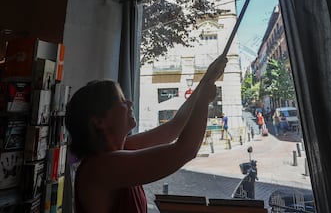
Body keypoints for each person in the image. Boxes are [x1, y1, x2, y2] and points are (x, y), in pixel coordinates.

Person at [65, 54, 227, 213]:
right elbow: (184, 150)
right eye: (121, 101)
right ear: (99, 122)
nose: (130, 103)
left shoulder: (122, 149)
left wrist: (206, 80)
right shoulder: (100, 168)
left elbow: (173, 127)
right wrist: (203, 98)